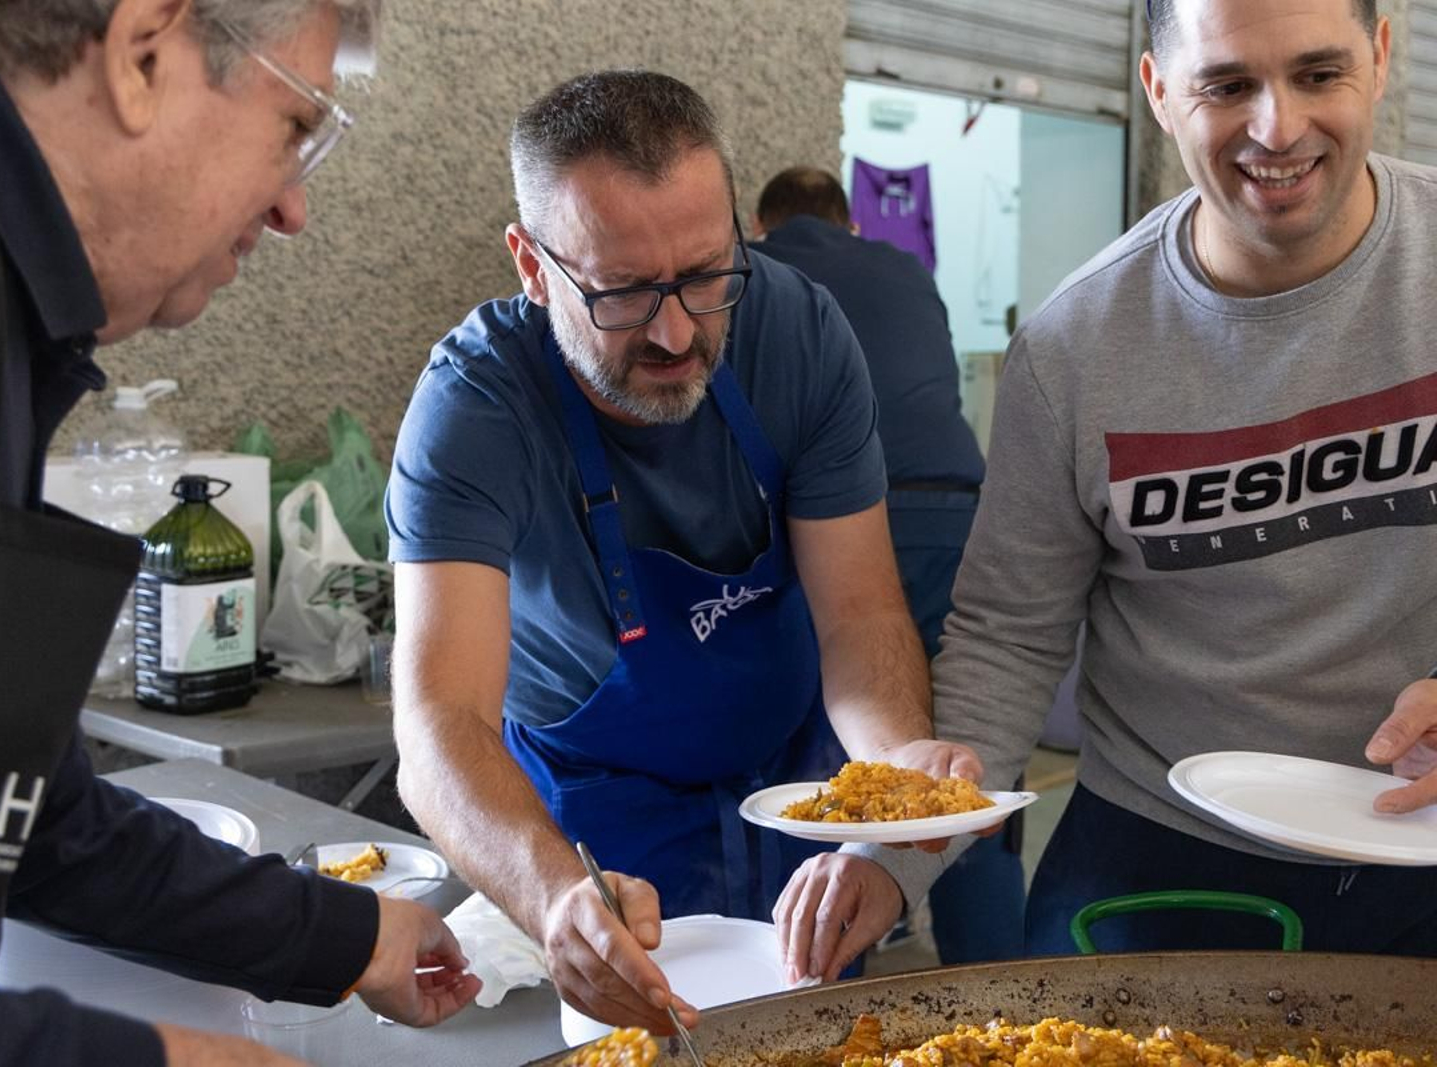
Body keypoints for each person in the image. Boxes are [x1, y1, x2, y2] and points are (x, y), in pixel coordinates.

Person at [0, 2, 480, 1064]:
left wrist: (343, 933)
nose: (292, 206)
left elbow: (21, 806)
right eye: (296, 124)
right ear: (143, 51)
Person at [387, 71, 968, 1034]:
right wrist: (551, 893)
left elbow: (861, 617)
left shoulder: (801, 333)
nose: (676, 331)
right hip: (597, 827)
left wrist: (891, 780)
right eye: (622, 293)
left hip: (792, 793)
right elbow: (438, 720)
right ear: (533, 267)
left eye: (705, 275)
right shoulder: (474, 407)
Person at [857, 0, 1437, 960]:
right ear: (1159, 91)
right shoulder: (1072, 349)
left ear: (1379, 59)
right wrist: (894, 856)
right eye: (1227, 84)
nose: (1277, 128)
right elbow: (1008, 633)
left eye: (1318, 74)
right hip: (1157, 849)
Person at [752, 167, 1026, 966]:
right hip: (957, 514)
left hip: (843, 517)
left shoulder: (759, 274)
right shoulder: (905, 267)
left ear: (763, 227)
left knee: (849, 765)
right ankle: (997, 980)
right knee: (954, 760)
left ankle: (839, 969)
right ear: (851, 223)